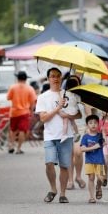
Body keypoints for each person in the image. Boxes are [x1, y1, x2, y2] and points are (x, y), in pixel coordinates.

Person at [35, 67, 82, 204]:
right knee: (49, 163)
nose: (55, 79)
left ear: (61, 78)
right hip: (50, 135)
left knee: (64, 165)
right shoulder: (43, 97)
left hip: (66, 136)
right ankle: (53, 189)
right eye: (52, 76)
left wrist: (68, 114)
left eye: (58, 76)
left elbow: (78, 114)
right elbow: (43, 118)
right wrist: (58, 108)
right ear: (48, 79)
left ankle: (62, 194)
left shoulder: (69, 95)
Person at [6, 71, 37, 154]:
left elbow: (8, 98)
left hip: (13, 112)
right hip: (24, 112)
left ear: (17, 78)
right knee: (22, 130)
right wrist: (32, 112)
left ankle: (11, 145)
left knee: (13, 129)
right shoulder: (30, 89)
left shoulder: (12, 87)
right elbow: (33, 102)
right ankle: (18, 149)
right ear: (26, 79)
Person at [65, 75, 86, 190]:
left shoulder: (83, 97)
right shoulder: (64, 97)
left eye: (76, 82)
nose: (74, 84)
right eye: (72, 82)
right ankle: (70, 180)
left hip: (81, 129)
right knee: (69, 155)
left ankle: (78, 176)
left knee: (78, 152)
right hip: (68, 129)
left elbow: (87, 113)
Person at [80, 114, 105, 204]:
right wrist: (94, 147)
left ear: (98, 124)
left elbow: (104, 143)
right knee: (91, 178)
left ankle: (99, 187)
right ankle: (91, 197)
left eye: (95, 123)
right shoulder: (85, 137)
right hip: (89, 161)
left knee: (100, 178)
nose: (93, 124)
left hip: (100, 161)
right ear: (87, 125)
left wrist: (103, 135)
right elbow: (82, 149)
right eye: (90, 123)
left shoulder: (100, 136)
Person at [60, 76, 81, 143]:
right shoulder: (76, 95)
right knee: (73, 122)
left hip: (66, 110)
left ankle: (64, 135)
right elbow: (79, 101)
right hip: (73, 111)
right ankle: (77, 132)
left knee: (65, 122)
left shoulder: (64, 92)